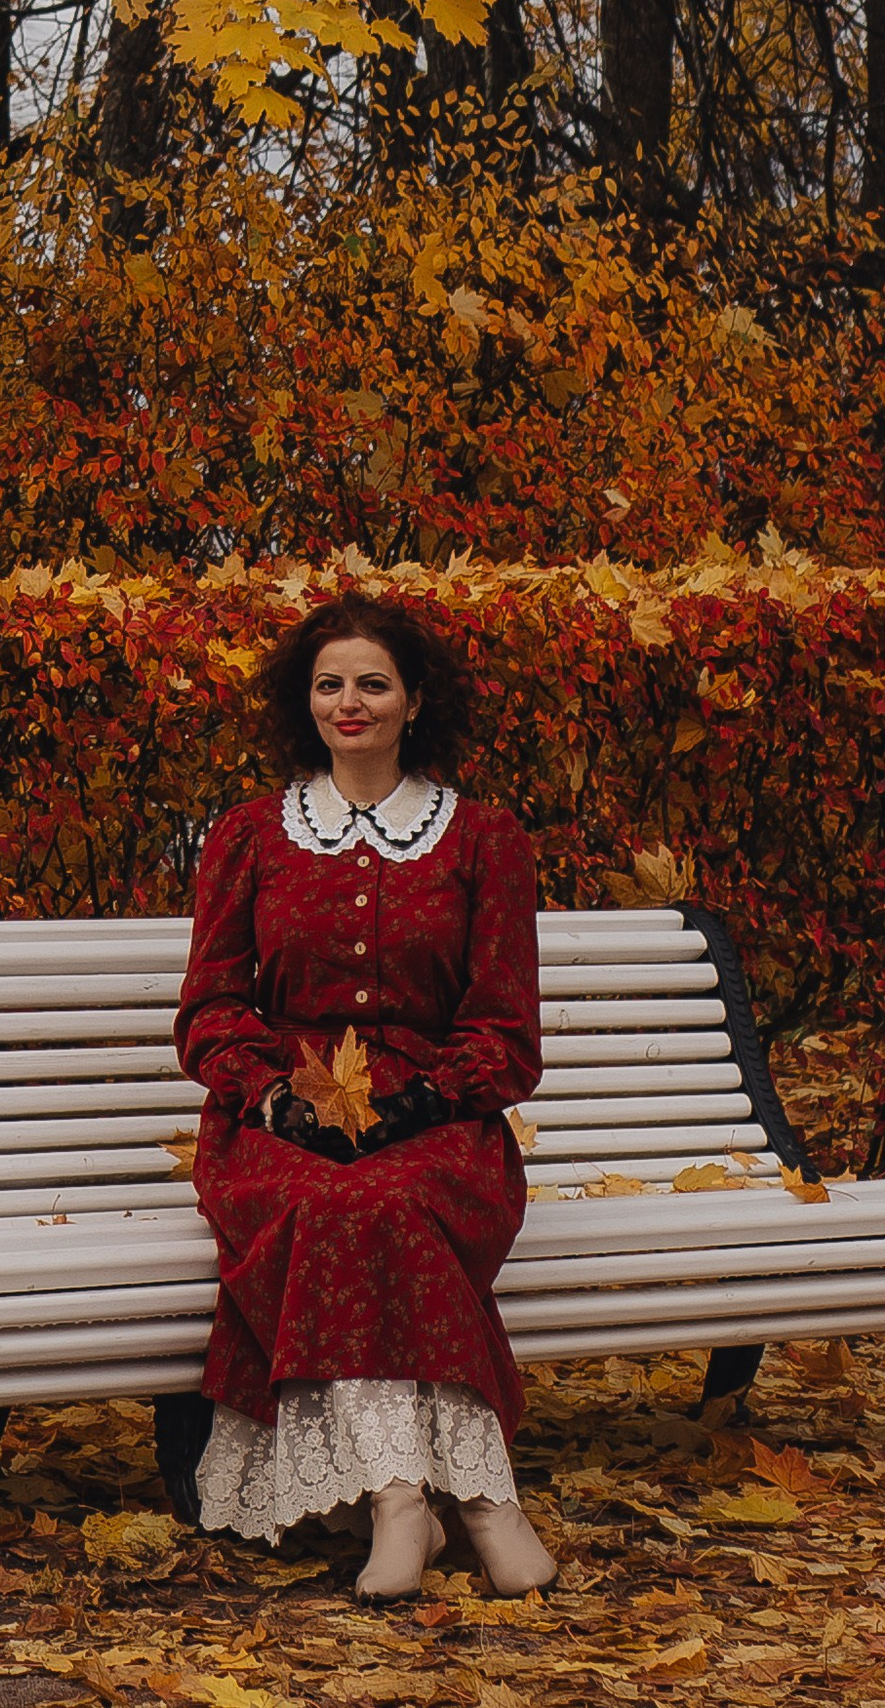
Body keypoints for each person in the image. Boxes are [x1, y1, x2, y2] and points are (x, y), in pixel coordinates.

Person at [173, 593, 559, 1604]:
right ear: (305, 705)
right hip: (274, 1123)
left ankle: (462, 1502)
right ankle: (425, 1502)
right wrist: (268, 1096)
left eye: (372, 683)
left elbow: (507, 1034)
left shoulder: (484, 840)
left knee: (388, 1198)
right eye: (329, 684)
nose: (350, 702)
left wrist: (427, 1099)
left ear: (413, 700)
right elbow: (209, 1008)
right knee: (338, 1201)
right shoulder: (251, 834)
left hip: (441, 1121)